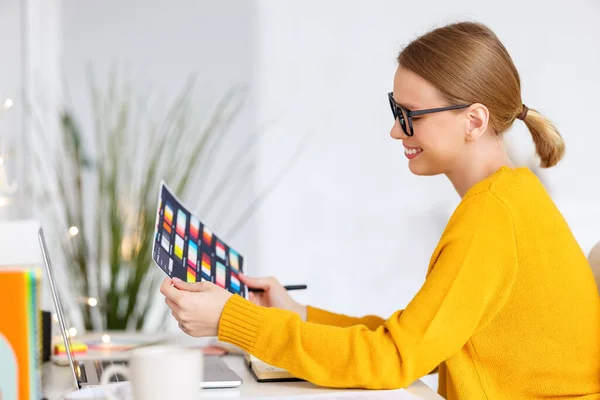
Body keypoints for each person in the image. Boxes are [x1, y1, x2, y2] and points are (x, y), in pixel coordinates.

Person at [160, 21, 600, 399]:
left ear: (474, 120)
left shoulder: (493, 216)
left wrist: (232, 319)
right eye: (395, 111)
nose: (395, 131)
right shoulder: (511, 198)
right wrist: (295, 315)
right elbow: (414, 340)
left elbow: (392, 358)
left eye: (410, 115)